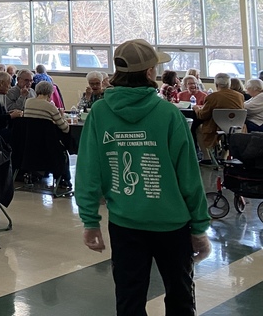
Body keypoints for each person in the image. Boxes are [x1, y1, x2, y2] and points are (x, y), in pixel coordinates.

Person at [76, 39, 210, 316]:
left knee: (129, 298)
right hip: (172, 225)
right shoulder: (169, 114)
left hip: (125, 223)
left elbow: (89, 169)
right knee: (180, 296)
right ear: (150, 73)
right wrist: (199, 227)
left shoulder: (99, 113)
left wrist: (90, 221)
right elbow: (188, 176)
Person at [194, 72, 243, 155]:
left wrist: (196, 109)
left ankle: (207, 157)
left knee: (199, 128)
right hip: (234, 127)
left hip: (215, 128)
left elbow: (202, 115)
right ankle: (223, 156)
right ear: (229, 83)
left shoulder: (212, 97)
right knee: (226, 132)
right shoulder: (240, 96)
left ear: (216, 84)